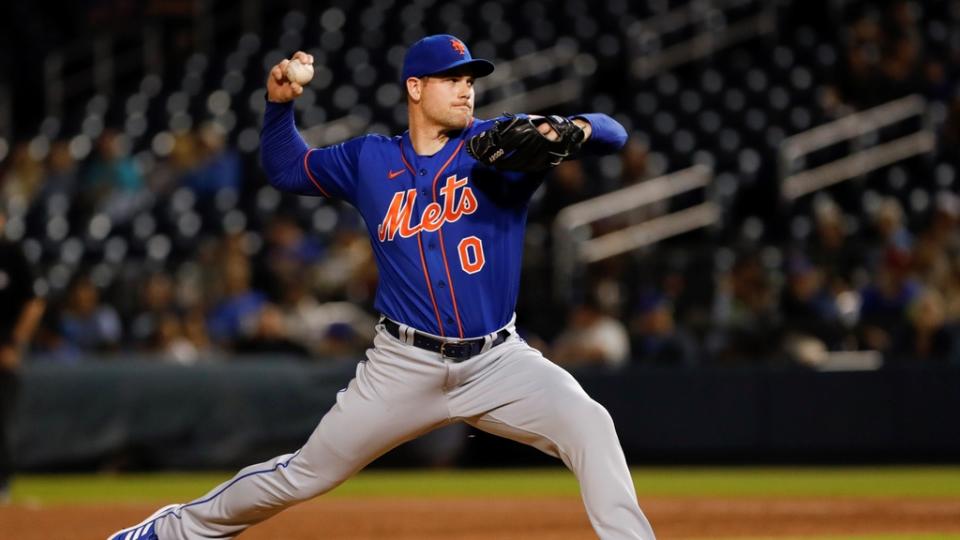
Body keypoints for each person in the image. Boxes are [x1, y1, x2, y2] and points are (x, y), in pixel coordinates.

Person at [109, 34, 654, 539]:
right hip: (403, 364)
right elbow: (286, 168)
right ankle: (168, 531)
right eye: (451, 78)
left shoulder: (498, 141)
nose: (466, 88)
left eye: (470, 78)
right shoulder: (369, 159)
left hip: (498, 361)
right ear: (415, 88)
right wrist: (279, 107)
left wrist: (566, 130)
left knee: (590, 423)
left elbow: (614, 132)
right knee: (302, 475)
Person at [0, 207, 46, 502]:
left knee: (1, 421)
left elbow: (34, 302)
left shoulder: (11, 254)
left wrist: (16, 343)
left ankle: (1, 484)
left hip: (3, 353)